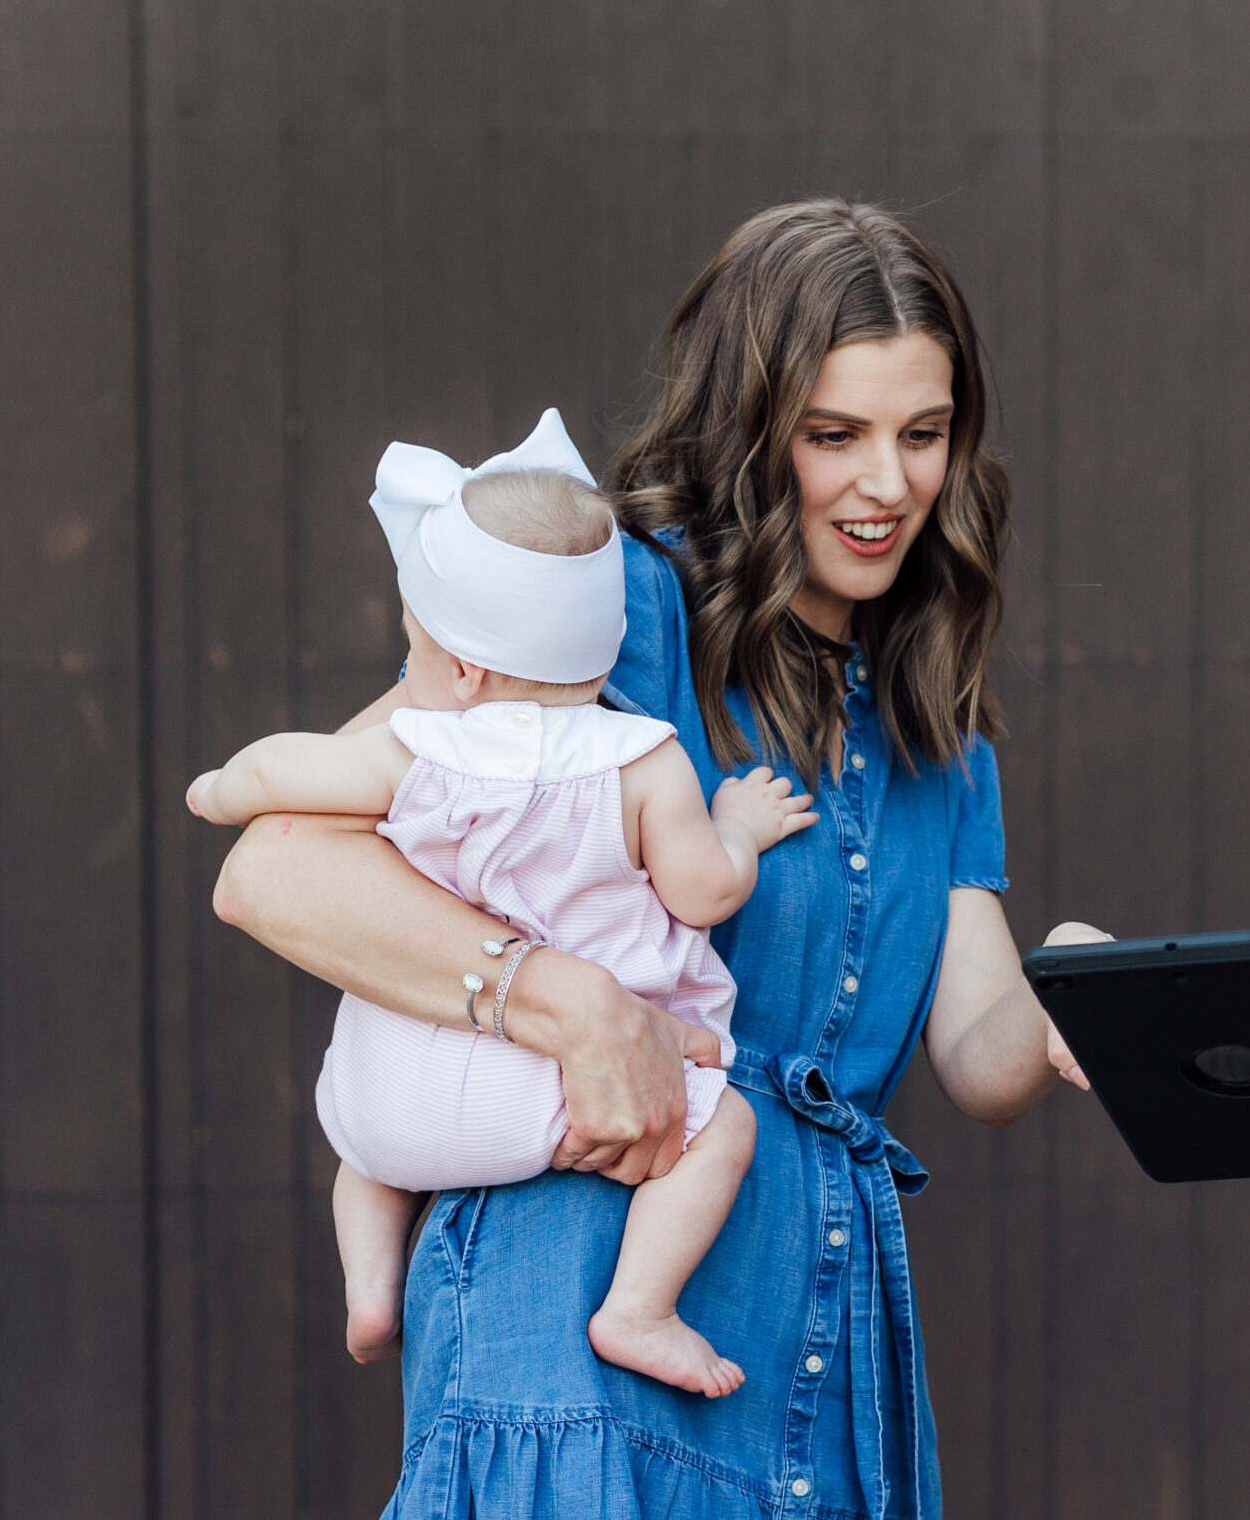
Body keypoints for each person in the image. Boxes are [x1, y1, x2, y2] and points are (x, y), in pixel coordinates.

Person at [212, 200, 1088, 1520]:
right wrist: (562, 1002)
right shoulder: (614, 605)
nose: (887, 485)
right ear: (752, 433)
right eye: (834, 436)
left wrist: (1084, 1010)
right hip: (580, 1307)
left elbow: (978, 1052)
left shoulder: (936, 705)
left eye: (924, 435)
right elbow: (279, 867)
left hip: (816, 1343)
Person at [189, 414, 821, 1398]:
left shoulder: (416, 749)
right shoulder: (644, 756)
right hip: (558, 1101)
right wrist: (737, 825)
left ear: (465, 668)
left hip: (388, 1101)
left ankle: (368, 1283)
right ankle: (639, 1307)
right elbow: (705, 890)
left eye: (418, 649)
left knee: (364, 1138)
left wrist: (223, 787)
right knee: (724, 1129)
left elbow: (289, 768)